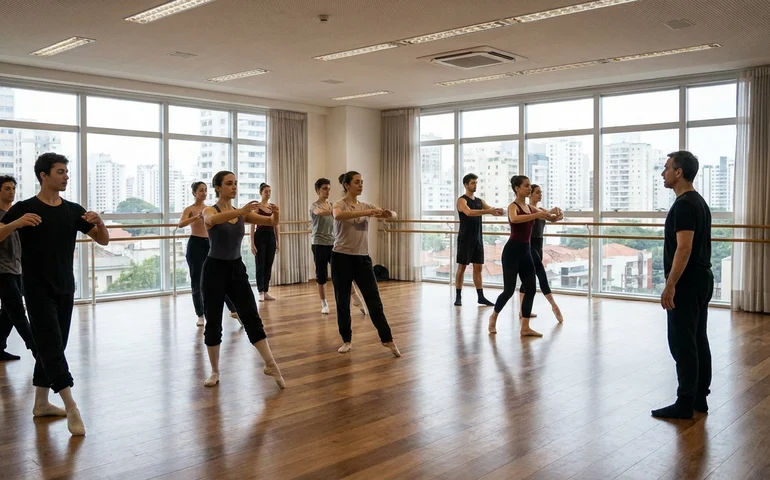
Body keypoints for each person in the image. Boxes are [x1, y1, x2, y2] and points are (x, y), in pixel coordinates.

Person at [0, 153, 110, 436]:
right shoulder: (25, 209)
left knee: (54, 346)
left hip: (65, 286)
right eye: (60, 172)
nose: (66, 176)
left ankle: (40, 403)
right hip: (36, 288)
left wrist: (100, 222)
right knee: (50, 342)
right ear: (43, 176)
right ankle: (71, 404)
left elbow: (103, 239)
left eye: (66, 172)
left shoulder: (73, 210)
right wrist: (16, 224)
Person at [200, 171, 284, 389]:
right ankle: (215, 371)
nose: (234, 187)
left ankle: (271, 363)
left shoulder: (242, 214)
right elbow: (211, 220)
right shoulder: (211, 210)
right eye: (229, 184)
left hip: (236, 269)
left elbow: (270, 222)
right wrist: (241, 210)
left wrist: (276, 214)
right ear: (218, 187)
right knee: (213, 321)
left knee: (251, 316)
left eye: (235, 183)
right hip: (214, 270)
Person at [651, 151, 713, 419]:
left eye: (666, 168)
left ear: (678, 172)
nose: (663, 173)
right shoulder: (698, 202)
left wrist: (670, 284)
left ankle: (685, 402)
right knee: (698, 338)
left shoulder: (684, 205)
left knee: (682, 342)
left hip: (687, 283)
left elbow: (684, 248)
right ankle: (699, 397)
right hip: (702, 279)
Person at [331, 171, 400, 357]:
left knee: (374, 301)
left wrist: (386, 213)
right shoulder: (339, 204)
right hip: (341, 258)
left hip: (362, 259)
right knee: (343, 301)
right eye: (356, 182)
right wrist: (367, 212)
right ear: (347, 185)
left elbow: (393, 215)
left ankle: (387, 339)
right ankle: (346, 340)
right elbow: (338, 216)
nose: (361, 185)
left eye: (362, 182)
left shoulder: (366, 205)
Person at [488, 175, 555, 337]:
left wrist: (556, 215)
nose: (529, 188)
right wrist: (536, 215)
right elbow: (515, 219)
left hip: (526, 252)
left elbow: (550, 217)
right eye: (526, 186)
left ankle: (525, 327)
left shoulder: (531, 208)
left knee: (531, 289)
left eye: (530, 185)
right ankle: (493, 317)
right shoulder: (513, 206)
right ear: (517, 189)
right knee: (509, 291)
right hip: (512, 252)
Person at [177, 181, 239, 327]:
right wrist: (196, 217)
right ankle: (200, 314)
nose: (204, 193)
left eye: (205, 190)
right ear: (194, 193)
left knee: (218, 279)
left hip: (210, 244)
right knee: (197, 280)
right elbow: (180, 224)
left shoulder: (210, 209)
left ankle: (233, 310)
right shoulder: (190, 209)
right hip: (195, 244)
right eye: (200, 191)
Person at [310, 177, 365, 315]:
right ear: (317, 190)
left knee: (342, 272)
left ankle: (356, 298)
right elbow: (319, 213)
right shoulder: (315, 206)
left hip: (334, 243)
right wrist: (338, 212)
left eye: (329, 189)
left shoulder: (334, 205)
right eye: (324, 189)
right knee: (321, 275)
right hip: (319, 244)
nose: (327, 191)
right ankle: (324, 303)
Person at [0, 175, 36, 361]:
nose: (12, 191)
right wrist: (16, 223)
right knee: (17, 311)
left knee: (8, 312)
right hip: (2, 271)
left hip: (16, 268)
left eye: (13, 188)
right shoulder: (8, 217)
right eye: (7, 188)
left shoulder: (15, 213)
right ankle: (37, 350)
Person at [454, 173, 505, 306]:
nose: (475, 185)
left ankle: (480, 297)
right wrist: (488, 211)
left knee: (478, 268)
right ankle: (458, 296)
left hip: (477, 239)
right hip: (465, 238)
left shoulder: (479, 201)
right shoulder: (461, 200)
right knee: (462, 267)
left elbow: (491, 210)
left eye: (476, 182)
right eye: (472, 183)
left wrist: (500, 211)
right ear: (466, 185)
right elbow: (469, 212)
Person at [518, 184, 564, 322]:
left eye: (541, 192)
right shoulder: (528, 210)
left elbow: (554, 218)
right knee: (541, 275)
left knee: (528, 277)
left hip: (538, 245)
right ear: (530, 194)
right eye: (537, 192)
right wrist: (549, 214)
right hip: (529, 245)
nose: (540, 194)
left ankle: (522, 310)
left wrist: (559, 213)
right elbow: (538, 217)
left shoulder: (541, 210)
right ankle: (554, 306)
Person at [250, 183, 278, 302]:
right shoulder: (257, 207)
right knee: (260, 264)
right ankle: (260, 291)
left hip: (270, 236)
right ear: (261, 193)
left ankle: (266, 291)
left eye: (270, 191)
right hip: (260, 236)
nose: (268, 193)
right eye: (266, 191)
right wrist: (252, 243)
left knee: (268, 264)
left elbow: (276, 224)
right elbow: (252, 224)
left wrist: (278, 241)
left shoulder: (272, 207)